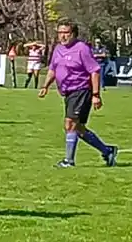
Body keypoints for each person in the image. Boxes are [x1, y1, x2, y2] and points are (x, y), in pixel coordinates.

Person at [38, 20, 118, 168]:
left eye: (66, 33)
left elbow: (94, 71)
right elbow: (53, 69)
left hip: (81, 90)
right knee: (79, 129)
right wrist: (45, 86)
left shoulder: (82, 49)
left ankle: (69, 161)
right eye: (60, 33)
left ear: (73, 34)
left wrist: (96, 95)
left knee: (70, 124)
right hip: (67, 92)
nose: (62, 36)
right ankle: (107, 151)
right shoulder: (58, 49)